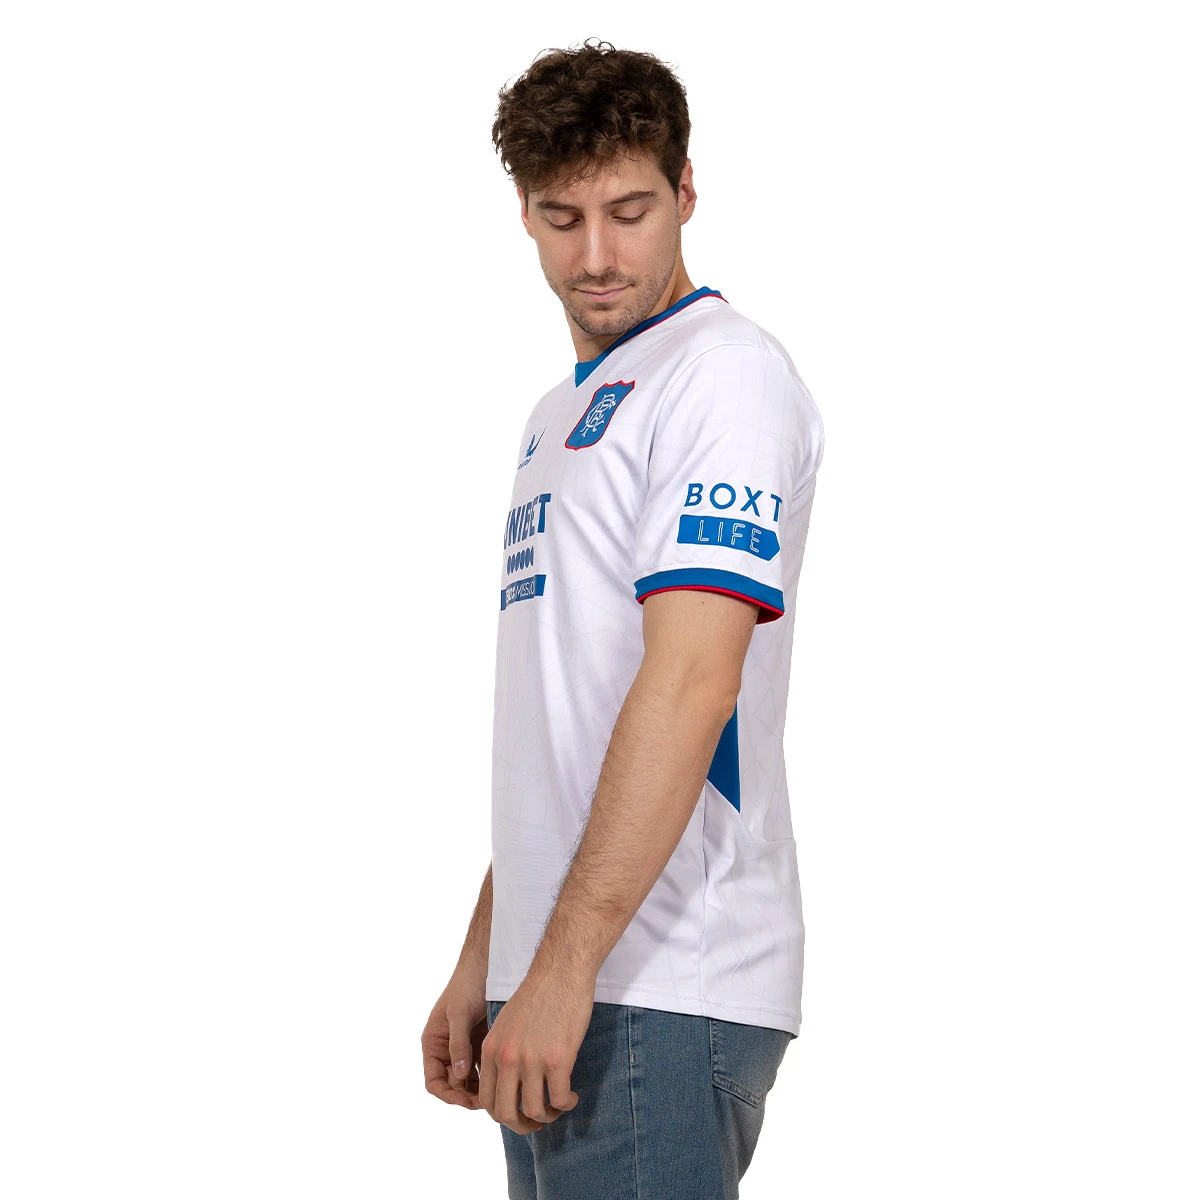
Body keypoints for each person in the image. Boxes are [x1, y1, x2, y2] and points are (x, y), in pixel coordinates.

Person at [421, 38, 825, 1199]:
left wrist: (563, 969)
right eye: (562, 218)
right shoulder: (561, 412)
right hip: (567, 975)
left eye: (629, 212)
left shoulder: (723, 375)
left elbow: (693, 685)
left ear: (687, 191)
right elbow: (570, 724)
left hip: (659, 980)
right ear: (524, 213)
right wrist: (490, 954)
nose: (595, 255)